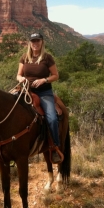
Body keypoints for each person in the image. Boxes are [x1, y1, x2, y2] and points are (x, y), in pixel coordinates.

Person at [16, 32, 62, 163]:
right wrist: (21, 78)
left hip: (44, 93)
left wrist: (44, 80)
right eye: (33, 41)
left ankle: (55, 147)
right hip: (26, 91)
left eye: (38, 41)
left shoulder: (47, 58)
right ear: (29, 43)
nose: (35, 43)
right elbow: (18, 75)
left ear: (42, 42)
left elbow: (55, 75)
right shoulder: (24, 57)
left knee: (52, 119)